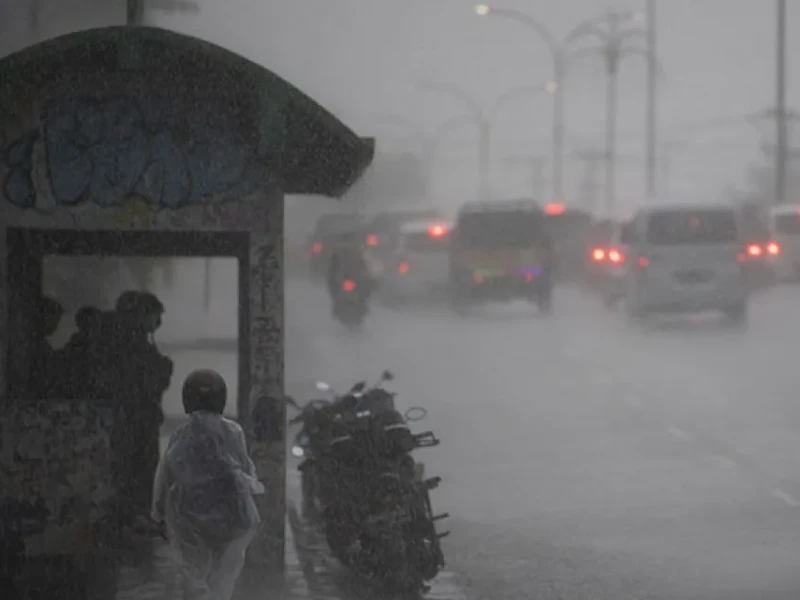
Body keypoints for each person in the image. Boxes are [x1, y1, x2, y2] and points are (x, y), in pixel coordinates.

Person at [152, 369, 264, 600]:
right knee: (223, 581)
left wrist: (159, 515)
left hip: (190, 520)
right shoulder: (234, 431)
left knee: (195, 581)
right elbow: (246, 469)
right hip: (232, 519)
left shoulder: (181, 435)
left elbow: (165, 476)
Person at [326, 229, 372, 311]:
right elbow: (364, 263)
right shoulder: (358, 248)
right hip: (354, 278)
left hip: (342, 277)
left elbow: (333, 267)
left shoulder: (338, 249)